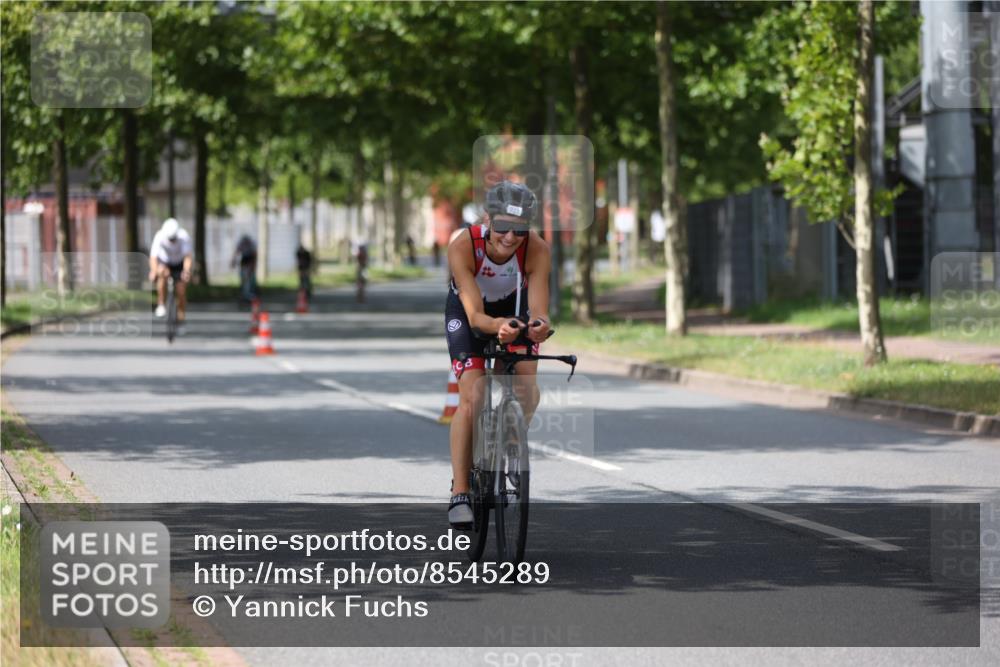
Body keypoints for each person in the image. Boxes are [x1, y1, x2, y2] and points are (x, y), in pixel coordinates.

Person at [444, 181, 551, 528]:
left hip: (512, 309)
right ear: (488, 219)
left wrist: (537, 326)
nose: (509, 237)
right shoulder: (464, 245)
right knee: (472, 398)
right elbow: (475, 317)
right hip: (469, 311)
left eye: (519, 230)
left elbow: (538, 309)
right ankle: (461, 490)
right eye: (503, 227)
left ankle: (510, 444)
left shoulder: (536, 249)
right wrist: (497, 328)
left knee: (526, 387)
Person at [148, 218, 193, 331]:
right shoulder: (159, 236)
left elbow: (187, 257)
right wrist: (154, 271)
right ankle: (161, 303)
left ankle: (181, 318)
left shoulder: (184, 236)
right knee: (162, 275)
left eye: (174, 239)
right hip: (165, 262)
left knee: (181, 291)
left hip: (179, 263)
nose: (172, 241)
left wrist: (186, 271)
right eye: (170, 239)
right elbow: (153, 257)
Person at [231, 234, 258, 303]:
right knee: (244, 278)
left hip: (250, 261)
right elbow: (236, 252)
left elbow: (254, 256)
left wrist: (253, 266)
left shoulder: (252, 244)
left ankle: (251, 293)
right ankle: (245, 294)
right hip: (244, 262)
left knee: (250, 279)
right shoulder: (241, 244)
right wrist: (233, 261)